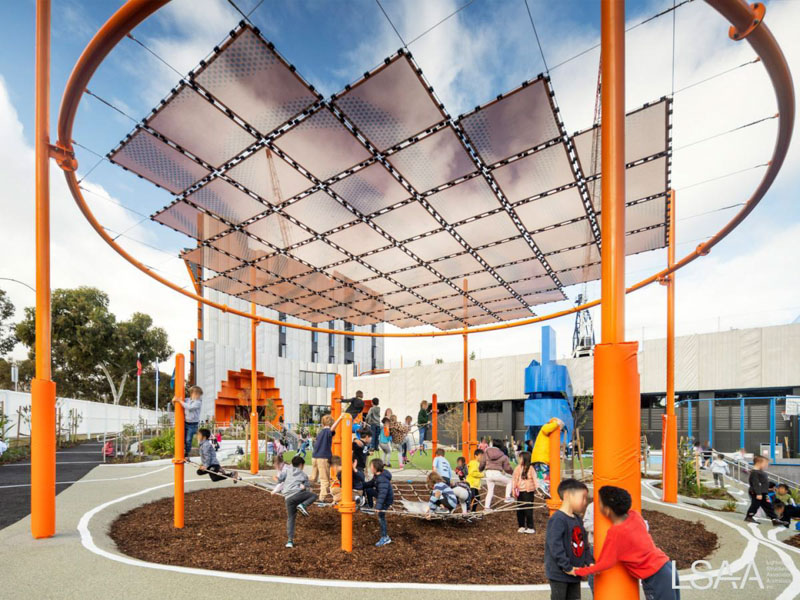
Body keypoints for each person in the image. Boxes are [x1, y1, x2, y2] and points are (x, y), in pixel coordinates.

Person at [572, 485, 680, 600]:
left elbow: (604, 564)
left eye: (600, 503)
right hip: (668, 567)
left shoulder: (616, 532)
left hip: (656, 576)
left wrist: (579, 571)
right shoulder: (634, 515)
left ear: (607, 510)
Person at [545, 478, 592, 600]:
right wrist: (567, 567)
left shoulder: (577, 519)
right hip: (560, 574)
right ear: (567, 496)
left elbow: (584, 545)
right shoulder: (558, 519)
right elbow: (555, 546)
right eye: (583, 497)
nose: (585, 502)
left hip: (575, 572)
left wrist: (590, 562)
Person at [277, 455, 317, 548]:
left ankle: (290, 541)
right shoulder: (303, 475)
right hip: (298, 495)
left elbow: (279, 480)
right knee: (314, 496)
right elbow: (308, 489)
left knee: (291, 518)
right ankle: (303, 505)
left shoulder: (286, 471)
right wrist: (304, 488)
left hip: (288, 498)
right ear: (301, 465)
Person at [310, 413, 344, 502]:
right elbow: (332, 429)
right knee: (324, 479)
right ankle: (322, 499)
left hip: (315, 457)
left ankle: (301, 488)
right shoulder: (327, 432)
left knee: (313, 477)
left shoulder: (320, 432)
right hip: (323, 457)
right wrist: (340, 418)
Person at [363, 458, 393, 546]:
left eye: (371, 467)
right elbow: (371, 484)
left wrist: (378, 507)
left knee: (381, 516)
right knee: (368, 489)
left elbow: (383, 494)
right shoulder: (377, 476)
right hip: (381, 496)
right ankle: (370, 506)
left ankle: (385, 537)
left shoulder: (382, 479)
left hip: (385, 500)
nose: (370, 468)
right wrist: (361, 485)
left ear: (375, 468)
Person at [532, 417, 564, 497]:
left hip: (538, 458)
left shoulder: (546, 436)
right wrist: (557, 423)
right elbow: (546, 429)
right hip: (542, 458)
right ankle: (544, 487)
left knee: (540, 474)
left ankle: (543, 487)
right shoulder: (545, 427)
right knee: (545, 474)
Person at [745, 455, 781, 524]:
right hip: (756, 492)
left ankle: (774, 519)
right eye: (765, 464)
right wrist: (758, 493)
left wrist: (769, 489)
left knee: (768, 506)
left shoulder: (760, 472)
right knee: (755, 505)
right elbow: (756, 484)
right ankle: (749, 517)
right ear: (759, 463)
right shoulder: (755, 472)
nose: (766, 466)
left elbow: (763, 483)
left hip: (763, 492)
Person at [479, 439, 513, 509]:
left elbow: (482, 462)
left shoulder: (486, 452)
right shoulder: (503, 455)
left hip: (488, 473)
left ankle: (486, 507)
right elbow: (507, 468)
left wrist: (480, 469)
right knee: (510, 482)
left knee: (490, 491)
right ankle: (507, 497)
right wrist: (513, 473)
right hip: (497, 473)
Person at [173, 385, 203, 457]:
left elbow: (189, 407)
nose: (198, 396)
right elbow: (179, 405)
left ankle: (187, 454)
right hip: (185, 423)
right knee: (181, 438)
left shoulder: (198, 402)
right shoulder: (187, 400)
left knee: (188, 440)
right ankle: (180, 452)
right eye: (197, 394)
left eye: (199, 394)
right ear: (192, 393)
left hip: (193, 425)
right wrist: (174, 401)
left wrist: (179, 400)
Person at [512, 451, 537, 533]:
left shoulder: (531, 468)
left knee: (528, 509)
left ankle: (530, 527)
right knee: (519, 509)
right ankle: (521, 526)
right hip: (520, 491)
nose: (519, 459)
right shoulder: (518, 468)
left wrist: (538, 489)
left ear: (525, 459)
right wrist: (513, 489)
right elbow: (514, 479)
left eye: (520, 458)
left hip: (528, 492)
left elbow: (535, 479)